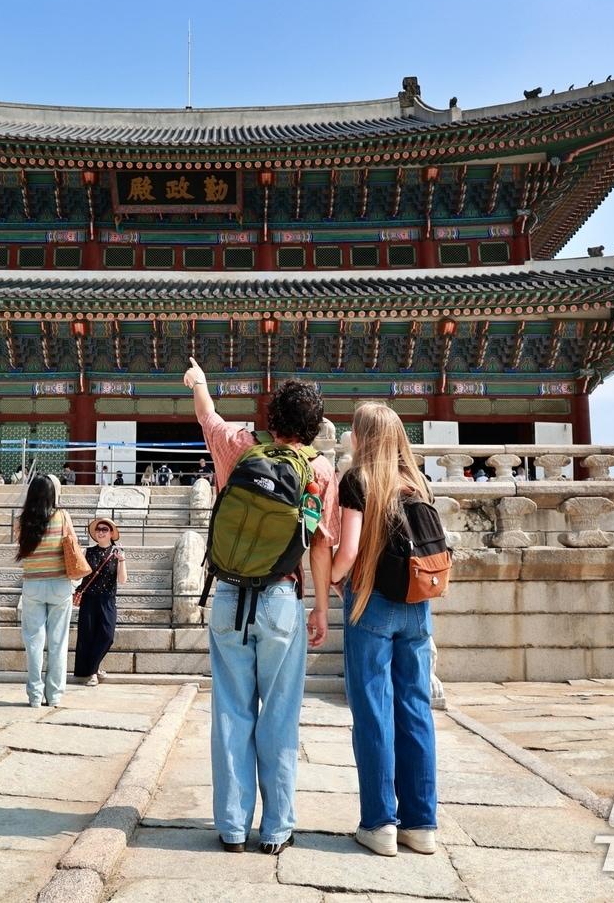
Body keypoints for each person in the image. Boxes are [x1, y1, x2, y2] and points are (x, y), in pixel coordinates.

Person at [185, 357, 339, 856]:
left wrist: (199, 381)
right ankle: (276, 828)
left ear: (271, 417)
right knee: (279, 714)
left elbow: (207, 416)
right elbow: (321, 545)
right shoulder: (319, 470)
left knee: (230, 712)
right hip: (280, 597)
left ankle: (232, 827)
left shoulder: (238, 445)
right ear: (315, 426)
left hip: (229, 594)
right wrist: (320, 608)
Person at [327, 403, 438, 857]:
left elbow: (350, 550)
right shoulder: (418, 482)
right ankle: (421, 824)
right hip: (418, 605)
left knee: (373, 711)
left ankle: (379, 823)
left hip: (371, 601)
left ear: (362, 437)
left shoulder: (358, 480)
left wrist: (332, 578)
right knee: (415, 709)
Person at [15, 474, 76, 708]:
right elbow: (72, 545)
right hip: (59, 583)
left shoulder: (22, 520)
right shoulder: (62, 516)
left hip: (33, 584)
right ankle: (55, 695)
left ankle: (34, 696)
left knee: (34, 642)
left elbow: (21, 547)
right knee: (58, 642)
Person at [74, 516, 128, 687]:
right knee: (88, 636)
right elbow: (78, 574)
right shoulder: (87, 552)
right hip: (89, 598)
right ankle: (92, 672)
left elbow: (122, 580)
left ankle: (93, 668)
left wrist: (122, 560)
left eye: (104, 529)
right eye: (98, 529)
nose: (100, 532)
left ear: (111, 533)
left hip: (107, 599)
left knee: (107, 635)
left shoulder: (117, 552)